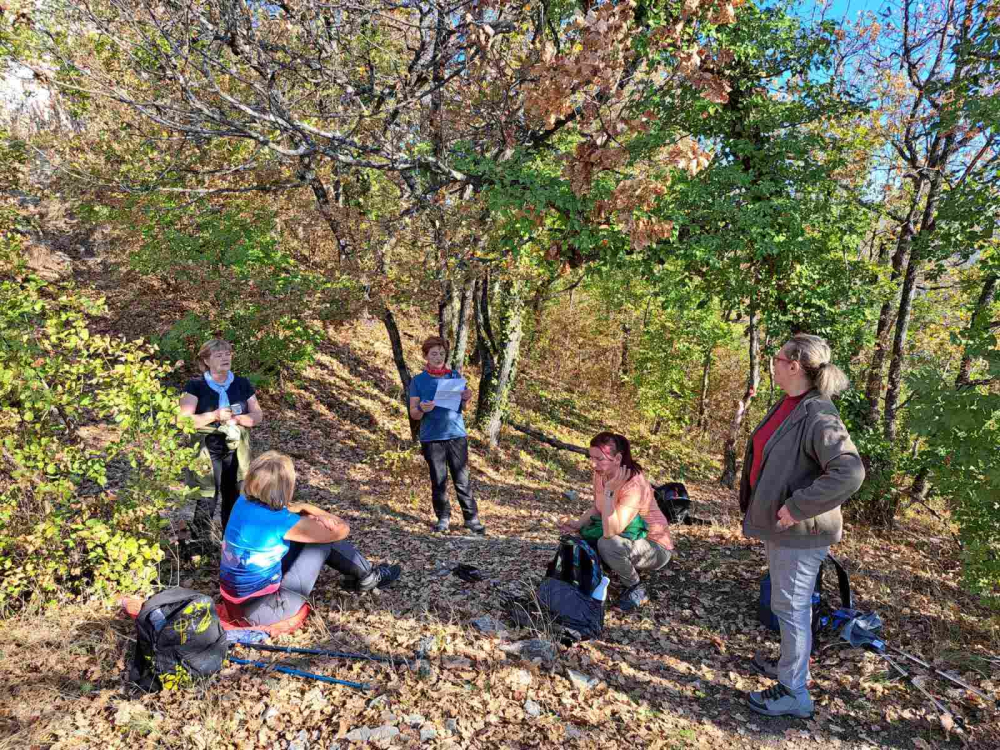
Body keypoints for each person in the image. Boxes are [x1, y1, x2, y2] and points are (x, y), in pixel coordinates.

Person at [740, 333, 865, 719]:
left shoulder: (818, 413)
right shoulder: (792, 404)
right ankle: (789, 672)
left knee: (791, 608)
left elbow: (850, 472)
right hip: (784, 529)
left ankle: (794, 691)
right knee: (786, 605)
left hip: (801, 532)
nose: (773, 363)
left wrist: (796, 507)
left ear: (794, 365)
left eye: (777, 358)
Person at [220, 451, 401, 626]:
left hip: (234, 605)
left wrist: (304, 515)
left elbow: (287, 514)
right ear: (285, 487)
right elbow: (342, 529)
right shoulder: (281, 522)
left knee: (308, 534)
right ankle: (369, 577)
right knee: (324, 542)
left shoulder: (242, 502)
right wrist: (307, 507)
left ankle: (365, 575)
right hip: (266, 611)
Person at [559, 432, 674, 612]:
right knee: (579, 538)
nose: (592, 464)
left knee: (607, 544)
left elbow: (610, 532)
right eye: (591, 458)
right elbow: (598, 508)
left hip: (656, 547)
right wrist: (577, 524)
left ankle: (636, 588)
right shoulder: (600, 473)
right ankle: (602, 571)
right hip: (627, 536)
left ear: (617, 458)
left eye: (599, 459)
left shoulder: (634, 484)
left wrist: (610, 492)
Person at [179, 338, 263, 543]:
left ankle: (230, 544)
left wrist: (243, 419)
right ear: (206, 361)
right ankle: (201, 547)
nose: (225, 358)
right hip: (208, 447)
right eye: (219, 355)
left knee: (234, 496)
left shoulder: (242, 384)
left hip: (236, 448)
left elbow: (258, 415)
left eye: (228, 354)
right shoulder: (195, 385)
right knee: (207, 497)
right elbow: (183, 421)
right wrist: (214, 416)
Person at [408, 335, 485, 534]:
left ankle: (471, 518)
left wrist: (467, 398)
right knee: (439, 479)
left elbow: (463, 407)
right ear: (425, 356)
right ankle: (443, 517)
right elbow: (413, 413)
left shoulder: (454, 377)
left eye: (441, 353)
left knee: (462, 478)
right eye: (433, 353)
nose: (438, 357)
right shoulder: (418, 381)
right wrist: (423, 408)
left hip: (456, 434)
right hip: (432, 437)